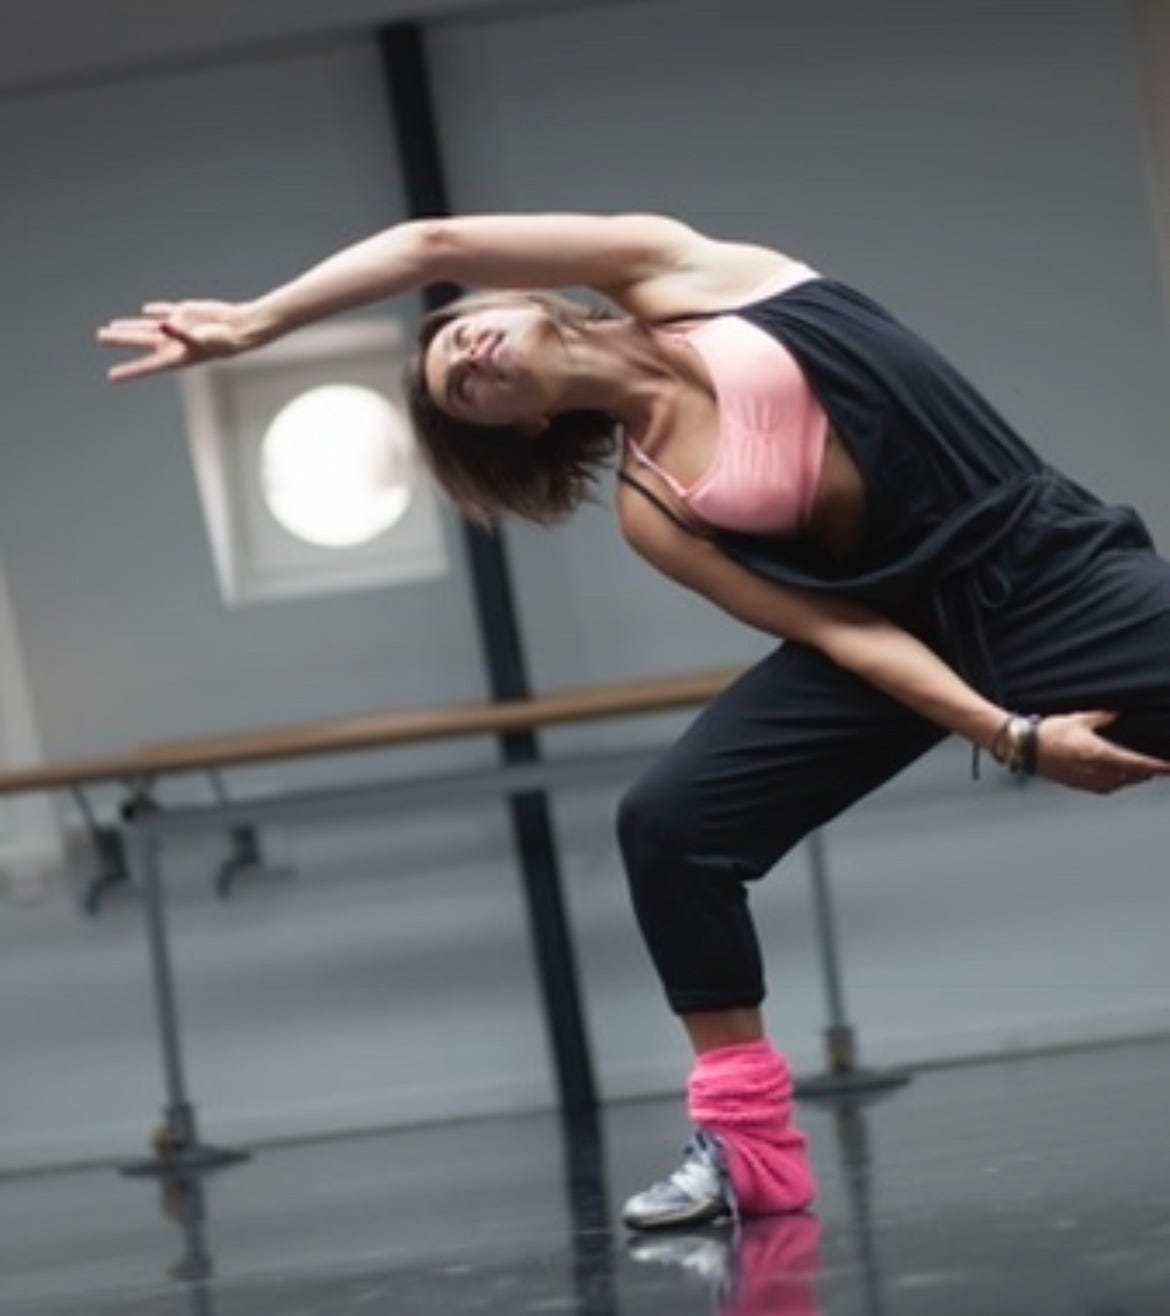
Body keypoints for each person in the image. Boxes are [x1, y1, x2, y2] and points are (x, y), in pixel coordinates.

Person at [98, 213, 1170, 1231]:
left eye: (459, 335)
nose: (466, 357)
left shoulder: (691, 272)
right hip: (901, 628)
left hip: (1050, 569)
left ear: (518, 299)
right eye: (460, 390)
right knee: (670, 821)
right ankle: (749, 1151)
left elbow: (432, 241)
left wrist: (258, 323)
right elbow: (844, 633)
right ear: (522, 423)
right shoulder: (656, 509)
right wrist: (1011, 737)